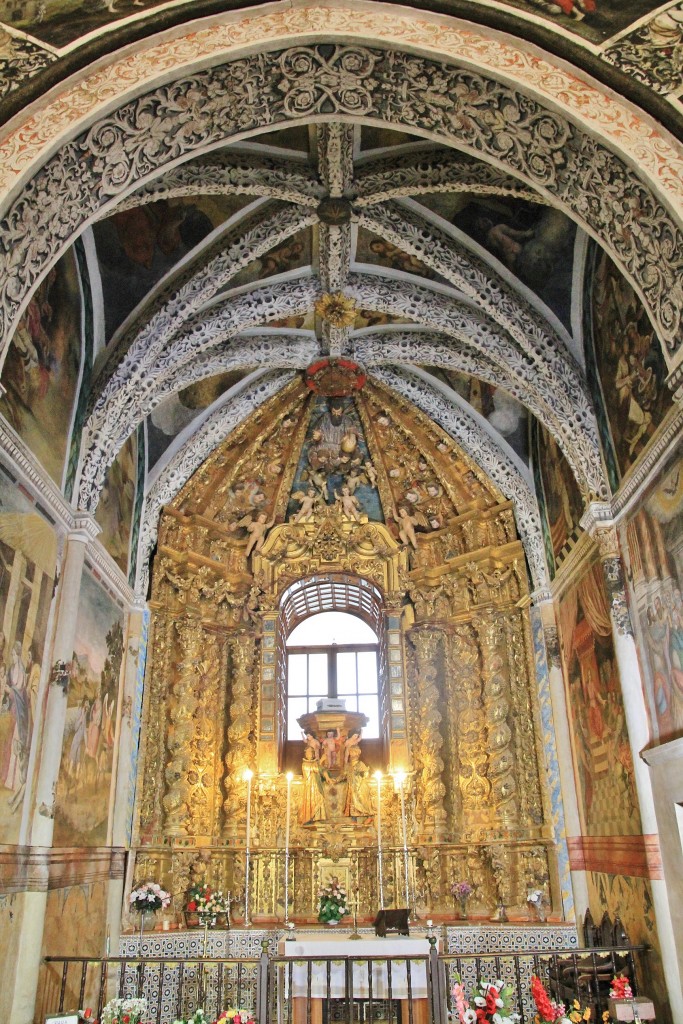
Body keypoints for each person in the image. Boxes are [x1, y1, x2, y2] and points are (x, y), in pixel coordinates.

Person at [343, 746, 374, 819]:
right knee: (352, 802)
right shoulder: (347, 765)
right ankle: (354, 819)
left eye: (353, 752)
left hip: (358, 786)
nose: (351, 754)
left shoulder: (360, 764)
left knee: (360, 801)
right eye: (350, 752)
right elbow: (343, 775)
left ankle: (367, 817)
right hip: (350, 786)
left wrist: (364, 777)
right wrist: (336, 780)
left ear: (357, 753)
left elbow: (366, 772)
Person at [299, 747, 328, 824]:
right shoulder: (305, 764)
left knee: (319, 799)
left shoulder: (316, 762)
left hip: (317, 785)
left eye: (311, 752)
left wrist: (327, 777)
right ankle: (310, 817)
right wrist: (321, 760)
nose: (309, 754)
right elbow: (314, 768)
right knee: (311, 801)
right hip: (310, 786)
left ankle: (318, 817)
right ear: (305, 754)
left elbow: (322, 770)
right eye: (308, 752)